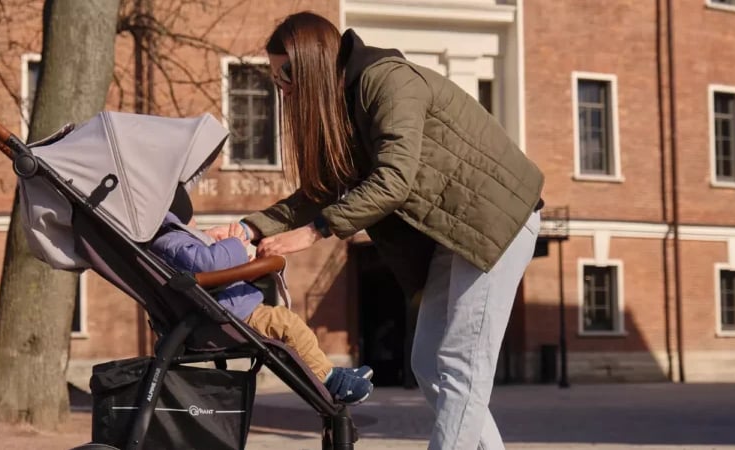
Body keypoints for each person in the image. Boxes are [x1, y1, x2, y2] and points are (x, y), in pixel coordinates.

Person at [207, 12, 545, 450]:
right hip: (455, 233)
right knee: (428, 362)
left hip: (499, 223)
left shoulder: (386, 82)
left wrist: (316, 232)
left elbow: (394, 178)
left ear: (314, 62)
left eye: (287, 74)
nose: (283, 88)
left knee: (460, 364)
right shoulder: (342, 108)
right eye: (275, 79)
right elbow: (319, 191)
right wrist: (248, 228)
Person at [151, 184, 374, 404]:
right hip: (227, 318)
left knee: (289, 329)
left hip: (222, 314)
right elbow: (208, 265)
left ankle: (329, 373)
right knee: (287, 324)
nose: (197, 227)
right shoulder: (173, 242)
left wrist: (236, 269)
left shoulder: (169, 242)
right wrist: (235, 244)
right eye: (193, 221)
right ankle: (332, 381)